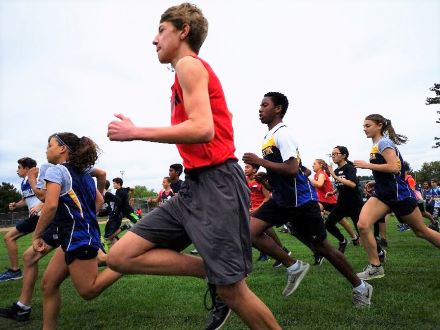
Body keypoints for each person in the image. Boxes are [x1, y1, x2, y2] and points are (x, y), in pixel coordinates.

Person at [107, 4, 280, 329]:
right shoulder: (181, 77)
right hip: (193, 188)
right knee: (120, 256)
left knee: (234, 292)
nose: (154, 40)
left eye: (161, 30)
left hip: (219, 185)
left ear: (183, 30)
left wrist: (135, 132)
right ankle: (211, 272)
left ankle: (221, 279)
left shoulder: (189, 65)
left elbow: (203, 128)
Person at [243, 92, 372, 307]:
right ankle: (293, 266)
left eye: (265, 105)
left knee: (322, 247)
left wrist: (260, 162)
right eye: (260, 105)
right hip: (283, 200)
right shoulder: (268, 137)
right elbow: (283, 176)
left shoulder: (283, 134)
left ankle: (361, 287)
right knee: (248, 232)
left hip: (301, 202)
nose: (260, 109)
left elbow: (293, 169)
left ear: (278, 109)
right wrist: (267, 180)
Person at [30, 132, 121, 329]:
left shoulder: (56, 171)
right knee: (49, 284)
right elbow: (99, 200)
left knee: (88, 290)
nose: (47, 149)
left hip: (78, 237)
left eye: (50, 144)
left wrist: (37, 235)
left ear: (62, 148)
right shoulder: (84, 173)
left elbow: (51, 205)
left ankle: (127, 264)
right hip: (74, 236)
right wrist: (86, 218)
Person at [353, 114, 440, 280]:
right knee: (363, 225)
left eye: (367, 125)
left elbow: (394, 168)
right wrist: (375, 181)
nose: (364, 129)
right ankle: (375, 266)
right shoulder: (376, 145)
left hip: (399, 195)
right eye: (363, 126)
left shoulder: (384, 143)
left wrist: (366, 165)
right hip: (383, 194)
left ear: (379, 125)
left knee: (421, 231)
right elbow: (389, 171)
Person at [0, 158, 43, 282]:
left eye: (19, 167)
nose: (17, 170)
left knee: (9, 237)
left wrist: (40, 206)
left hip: (41, 216)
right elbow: (26, 200)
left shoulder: (39, 179)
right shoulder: (24, 183)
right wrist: (16, 205)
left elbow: (50, 194)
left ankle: (15, 271)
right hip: (35, 217)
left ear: (27, 169)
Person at [309, 158, 358, 264]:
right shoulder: (316, 175)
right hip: (322, 201)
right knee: (317, 213)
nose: (312, 165)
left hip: (330, 201)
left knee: (342, 221)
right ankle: (323, 239)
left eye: (314, 164)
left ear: (321, 165)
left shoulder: (321, 174)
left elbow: (319, 184)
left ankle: (354, 237)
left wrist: (307, 178)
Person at [244, 163, 290, 266]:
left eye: (248, 167)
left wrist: (257, 209)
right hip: (253, 210)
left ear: (255, 170)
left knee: (262, 231)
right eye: (245, 167)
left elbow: (267, 197)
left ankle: (281, 251)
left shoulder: (259, 180)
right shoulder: (246, 180)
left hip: (262, 209)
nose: (245, 169)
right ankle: (275, 252)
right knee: (257, 232)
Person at [325, 146, 363, 254]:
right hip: (342, 203)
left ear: (344, 155)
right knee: (328, 224)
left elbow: (352, 184)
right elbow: (341, 184)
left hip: (354, 203)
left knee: (362, 231)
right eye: (332, 154)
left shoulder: (349, 168)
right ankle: (343, 241)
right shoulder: (337, 170)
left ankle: (378, 251)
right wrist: (333, 192)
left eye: (335, 154)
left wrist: (334, 176)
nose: (333, 156)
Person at [103, 177, 140, 246]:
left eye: (114, 183)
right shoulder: (123, 189)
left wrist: (131, 199)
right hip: (122, 212)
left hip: (128, 211)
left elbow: (119, 202)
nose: (113, 185)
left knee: (139, 222)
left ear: (118, 184)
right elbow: (132, 189)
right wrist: (132, 197)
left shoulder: (121, 192)